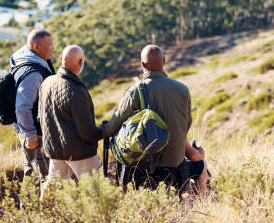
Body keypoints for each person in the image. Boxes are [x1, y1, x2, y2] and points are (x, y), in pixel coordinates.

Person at [100, 45, 208, 193]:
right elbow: (186, 125)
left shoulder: (135, 92)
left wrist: (94, 132)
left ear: (143, 65)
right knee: (201, 164)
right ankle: (200, 200)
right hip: (175, 169)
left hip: (141, 170)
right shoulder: (183, 89)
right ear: (163, 61)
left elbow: (112, 127)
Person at [39, 45, 102, 185]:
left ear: (61, 59)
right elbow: (87, 131)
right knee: (96, 192)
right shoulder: (76, 92)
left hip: (55, 149)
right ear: (80, 63)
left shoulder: (47, 82)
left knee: (53, 192)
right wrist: (103, 131)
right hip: (80, 152)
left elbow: (41, 116)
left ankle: (43, 207)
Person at [10, 29, 55, 180]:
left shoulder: (30, 57)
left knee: (33, 169)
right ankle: (36, 203)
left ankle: (32, 202)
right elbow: (22, 108)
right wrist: (30, 136)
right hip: (35, 132)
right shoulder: (33, 75)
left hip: (35, 129)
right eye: (50, 44)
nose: (53, 48)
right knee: (41, 173)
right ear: (36, 47)